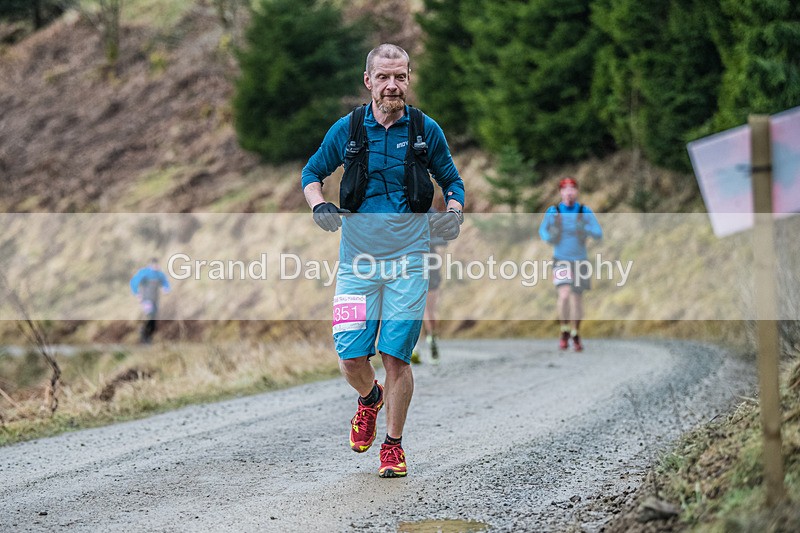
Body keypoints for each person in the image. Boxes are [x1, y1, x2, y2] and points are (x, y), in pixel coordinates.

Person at [301, 44, 465, 478]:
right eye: (384, 77)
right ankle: (370, 399)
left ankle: (392, 446)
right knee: (350, 358)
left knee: (396, 357)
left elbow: (452, 181)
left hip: (411, 262)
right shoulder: (348, 128)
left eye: (401, 77)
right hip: (357, 263)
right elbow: (311, 173)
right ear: (368, 80)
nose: (393, 85)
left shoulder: (426, 130)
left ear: (408, 79)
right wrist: (319, 206)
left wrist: (453, 212)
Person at [538, 177, 602, 351]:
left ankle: (576, 332)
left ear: (577, 191)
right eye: (565, 189)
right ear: (560, 192)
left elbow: (598, 232)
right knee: (564, 294)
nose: (569, 192)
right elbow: (542, 230)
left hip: (580, 260)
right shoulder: (554, 211)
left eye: (572, 188)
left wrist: (585, 229)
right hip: (561, 259)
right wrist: (549, 237)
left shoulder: (584, 211)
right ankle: (564, 329)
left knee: (577, 298)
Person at [412, 211, 447, 365]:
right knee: (427, 309)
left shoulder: (401, 207)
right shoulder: (431, 212)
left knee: (415, 308)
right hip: (426, 262)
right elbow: (444, 239)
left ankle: (416, 346)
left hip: (415, 262)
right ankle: (431, 339)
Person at [129, 258, 171, 344]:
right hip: (146, 299)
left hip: (155, 299)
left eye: (157, 265)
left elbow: (165, 283)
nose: (156, 266)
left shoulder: (159, 274)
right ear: (151, 265)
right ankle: (143, 333)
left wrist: (166, 289)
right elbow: (134, 282)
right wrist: (136, 293)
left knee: (153, 319)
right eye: (154, 265)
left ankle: (148, 336)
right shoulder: (145, 273)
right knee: (149, 314)